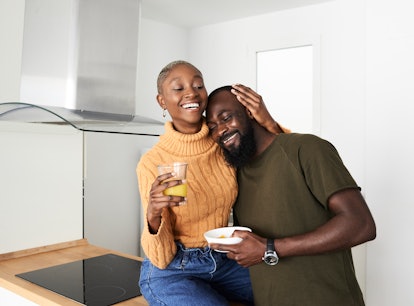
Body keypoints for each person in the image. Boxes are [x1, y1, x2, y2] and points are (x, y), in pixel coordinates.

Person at [205, 85, 377, 306]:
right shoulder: (235, 177)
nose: (220, 131)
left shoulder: (307, 149)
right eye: (212, 127)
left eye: (226, 118)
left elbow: (361, 224)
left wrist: (269, 248)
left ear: (250, 111)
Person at [136, 61, 286, 305]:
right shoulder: (152, 162)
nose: (192, 93)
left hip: (224, 259)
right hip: (173, 270)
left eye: (198, 85)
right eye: (178, 88)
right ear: (162, 101)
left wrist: (267, 122)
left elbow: (283, 164)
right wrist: (153, 214)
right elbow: (160, 259)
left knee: (287, 291)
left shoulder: (223, 138)